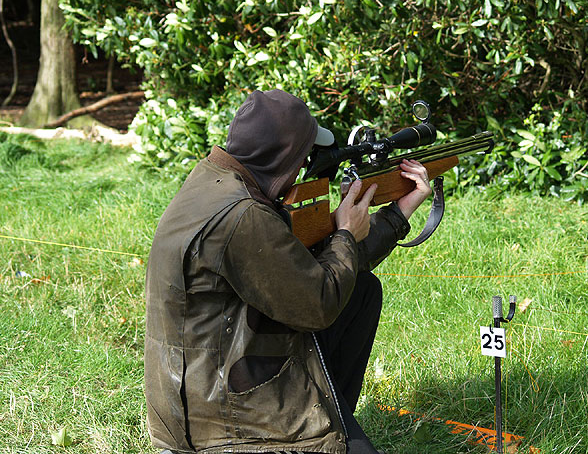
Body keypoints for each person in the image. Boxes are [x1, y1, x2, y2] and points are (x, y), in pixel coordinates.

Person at [144, 89, 432, 454]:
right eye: (303, 156)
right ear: (284, 157)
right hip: (223, 426)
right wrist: (345, 233)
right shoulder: (244, 216)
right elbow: (317, 304)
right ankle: (318, 438)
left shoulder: (214, 183)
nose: (304, 166)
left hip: (200, 391)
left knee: (361, 291)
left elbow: (302, 269)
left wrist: (397, 212)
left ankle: (331, 419)